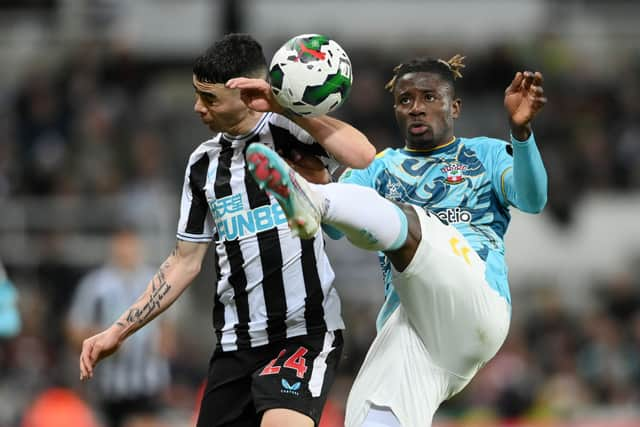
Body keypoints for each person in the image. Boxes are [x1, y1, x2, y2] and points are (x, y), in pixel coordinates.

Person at [79, 33, 376, 427]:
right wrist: (119, 330)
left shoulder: (290, 132)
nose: (198, 107)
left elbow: (363, 156)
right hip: (236, 345)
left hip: (303, 333)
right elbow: (183, 263)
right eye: (197, 95)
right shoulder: (203, 165)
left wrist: (282, 105)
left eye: (210, 98)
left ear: (245, 95)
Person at [245, 55, 548, 426]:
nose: (416, 108)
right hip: (411, 325)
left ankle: (312, 198)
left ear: (454, 106)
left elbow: (533, 200)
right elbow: (338, 229)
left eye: (429, 97)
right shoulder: (378, 167)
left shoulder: (483, 153)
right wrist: (324, 182)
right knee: (370, 414)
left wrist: (521, 134)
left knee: (408, 220)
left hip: (476, 296)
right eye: (405, 100)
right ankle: (314, 198)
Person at [67, 227, 174, 427]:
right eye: (122, 244)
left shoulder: (155, 281)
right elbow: (75, 328)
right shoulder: (95, 285)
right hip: (108, 385)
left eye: (131, 244)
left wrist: (163, 345)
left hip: (148, 382)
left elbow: (168, 327)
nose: (127, 250)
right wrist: (97, 340)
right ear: (113, 247)